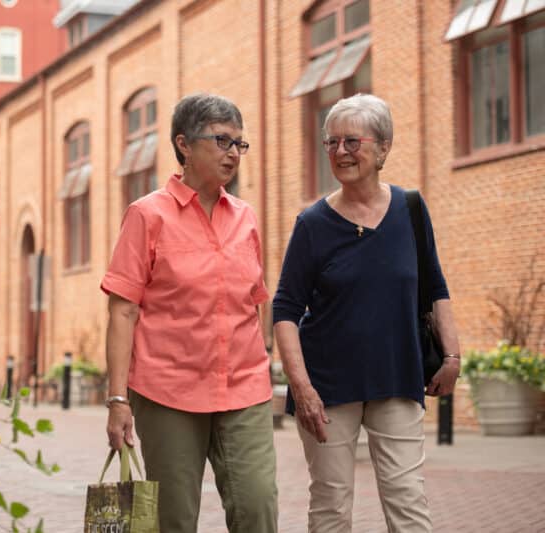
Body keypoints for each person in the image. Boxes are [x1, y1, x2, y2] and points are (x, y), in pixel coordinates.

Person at [272, 93, 461, 532]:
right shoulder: (312, 223)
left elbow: (435, 286)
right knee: (332, 505)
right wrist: (300, 387)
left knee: (408, 500)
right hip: (328, 386)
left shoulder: (410, 209)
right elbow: (284, 308)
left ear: (383, 148)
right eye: (331, 142)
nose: (341, 152)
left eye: (352, 142)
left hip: (397, 375)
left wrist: (451, 357)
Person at [101, 93, 278, 533]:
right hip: (168, 392)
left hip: (243, 387)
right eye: (222, 141)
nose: (234, 153)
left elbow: (255, 300)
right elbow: (123, 312)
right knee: (173, 519)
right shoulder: (146, 216)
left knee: (257, 506)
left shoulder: (246, 218)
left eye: (240, 144)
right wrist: (117, 399)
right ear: (184, 144)